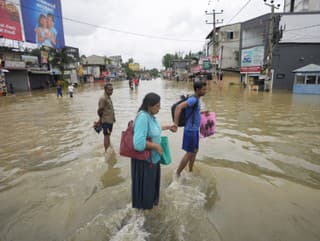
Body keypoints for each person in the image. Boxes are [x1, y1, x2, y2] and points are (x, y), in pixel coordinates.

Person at [132, 92, 177, 210]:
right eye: (157, 106)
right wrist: (156, 146)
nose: (159, 108)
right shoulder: (142, 117)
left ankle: (149, 210)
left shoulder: (150, 116)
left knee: (151, 189)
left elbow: (153, 130)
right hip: (145, 162)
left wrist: (168, 127)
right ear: (149, 106)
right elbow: (138, 144)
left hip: (153, 160)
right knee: (146, 191)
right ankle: (142, 216)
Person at [174, 81, 207, 176]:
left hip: (195, 130)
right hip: (191, 130)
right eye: (203, 89)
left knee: (195, 151)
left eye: (205, 89)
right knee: (189, 153)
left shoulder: (196, 99)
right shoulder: (193, 100)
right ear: (197, 90)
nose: (205, 91)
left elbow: (193, 113)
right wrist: (175, 124)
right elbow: (178, 107)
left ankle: (190, 170)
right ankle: (177, 174)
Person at [97, 83, 115, 152]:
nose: (111, 91)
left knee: (108, 135)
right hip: (106, 121)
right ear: (105, 90)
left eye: (112, 90)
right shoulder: (103, 98)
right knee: (106, 136)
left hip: (110, 120)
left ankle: (108, 148)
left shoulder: (108, 97)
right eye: (109, 90)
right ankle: (106, 151)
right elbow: (100, 110)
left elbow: (109, 109)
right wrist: (100, 120)